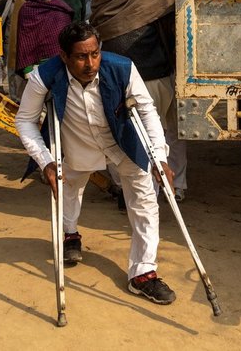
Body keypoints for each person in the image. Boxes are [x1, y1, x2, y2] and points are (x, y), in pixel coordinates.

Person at [15, 21, 177, 305]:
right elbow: (25, 120)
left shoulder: (123, 68)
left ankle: (143, 273)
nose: (90, 63)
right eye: (80, 56)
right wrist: (46, 161)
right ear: (64, 56)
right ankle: (70, 235)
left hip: (123, 141)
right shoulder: (45, 76)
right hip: (78, 142)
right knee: (70, 188)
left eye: (95, 54)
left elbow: (147, 111)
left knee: (144, 201)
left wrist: (159, 156)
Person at [90, 0, 187, 202]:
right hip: (114, 77)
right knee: (115, 133)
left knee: (166, 133)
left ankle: (174, 185)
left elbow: (175, 32)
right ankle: (125, 188)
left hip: (155, 74)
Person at [11, 0, 73, 98]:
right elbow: (24, 42)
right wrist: (27, 71)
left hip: (62, 65)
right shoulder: (27, 10)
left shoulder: (61, 8)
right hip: (37, 69)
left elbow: (70, 39)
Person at [0, 0, 24, 100]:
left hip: (24, 40)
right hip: (9, 40)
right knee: (11, 70)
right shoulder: (4, 2)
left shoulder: (26, 0)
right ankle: (14, 97)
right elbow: (1, 20)